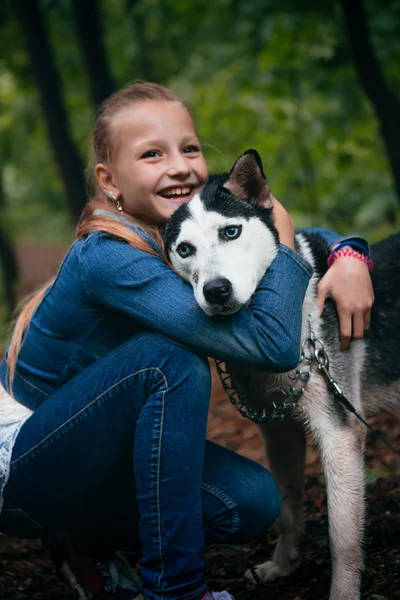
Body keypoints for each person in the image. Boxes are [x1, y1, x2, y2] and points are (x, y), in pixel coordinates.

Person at [0, 82, 374, 600]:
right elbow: (274, 345)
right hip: (24, 467)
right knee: (168, 362)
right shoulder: (108, 256)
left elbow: (258, 237)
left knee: (249, 501)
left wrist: (350, 255)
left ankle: (85, 535)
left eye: (189, 148)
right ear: (109, 180)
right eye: (152, 154)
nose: (178, 166)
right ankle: (175, 589)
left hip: (95, 452)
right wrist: (280, 223)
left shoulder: (180, 232)